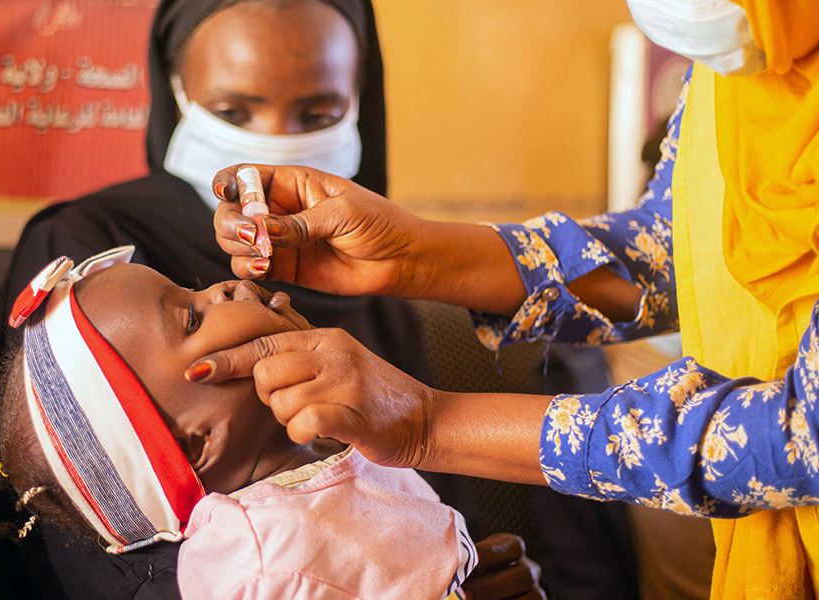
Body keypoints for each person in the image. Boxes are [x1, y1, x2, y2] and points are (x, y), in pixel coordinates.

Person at [197, 1, 819, 597]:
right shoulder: (740, 52)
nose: (228, 291)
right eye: (187, 311)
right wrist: (416, 255)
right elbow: (682, 248)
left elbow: (803, 435)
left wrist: (431, 423)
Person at [0, 1, 539, 598]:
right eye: (233, 111)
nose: (274, 144)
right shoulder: (96, 265)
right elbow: (97, 541)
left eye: (319, 112)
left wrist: (467, 572)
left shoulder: (381, 291)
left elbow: (438, 499)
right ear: (177, 93)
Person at [0, 246, 481, 599]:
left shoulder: (344, 447)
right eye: (193, 317)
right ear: (196, 444)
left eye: (191, 291)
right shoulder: (260, 567)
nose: (221, 289)